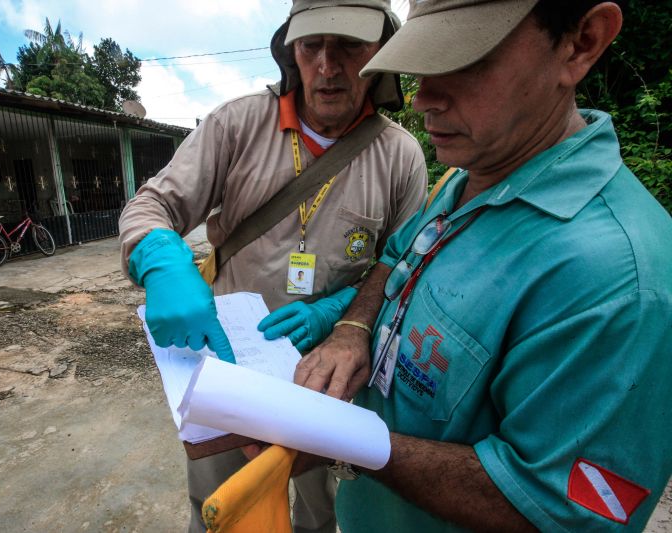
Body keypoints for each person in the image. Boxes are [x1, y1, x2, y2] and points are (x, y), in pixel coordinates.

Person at [288, 0, 672, 531]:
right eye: (423, 67)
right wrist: (351, 330)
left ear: (581, 42)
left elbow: (558, 509)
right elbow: (398, 256)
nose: (423, 99)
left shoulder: (619, 279)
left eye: (466, 62)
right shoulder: (464, 178)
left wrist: (347, 442)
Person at [118, 1, 428, 530]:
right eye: (311, 47)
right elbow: (152, 205)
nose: (328, 67)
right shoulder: (236, 125)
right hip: (224, 368)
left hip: (328, 379)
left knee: (324, 512)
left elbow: (402, 268)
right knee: (222, 508)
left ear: (382, 52)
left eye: (349, 46)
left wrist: (336, 313)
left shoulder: (401, 156)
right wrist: (161, 260)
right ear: (291, 52)